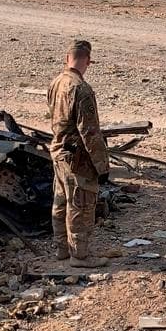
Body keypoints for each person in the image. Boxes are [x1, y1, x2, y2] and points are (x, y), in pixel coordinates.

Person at [48, 40, 110, 268]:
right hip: (77, 159)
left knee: (61, 203)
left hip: (58, 152)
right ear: (88, 61)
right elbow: (90, 133)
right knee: (81, 206)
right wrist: (102, 167)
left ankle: (62, 249)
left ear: (67, 57)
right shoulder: (81, 89)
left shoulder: (56, 82)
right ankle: (80, 256)